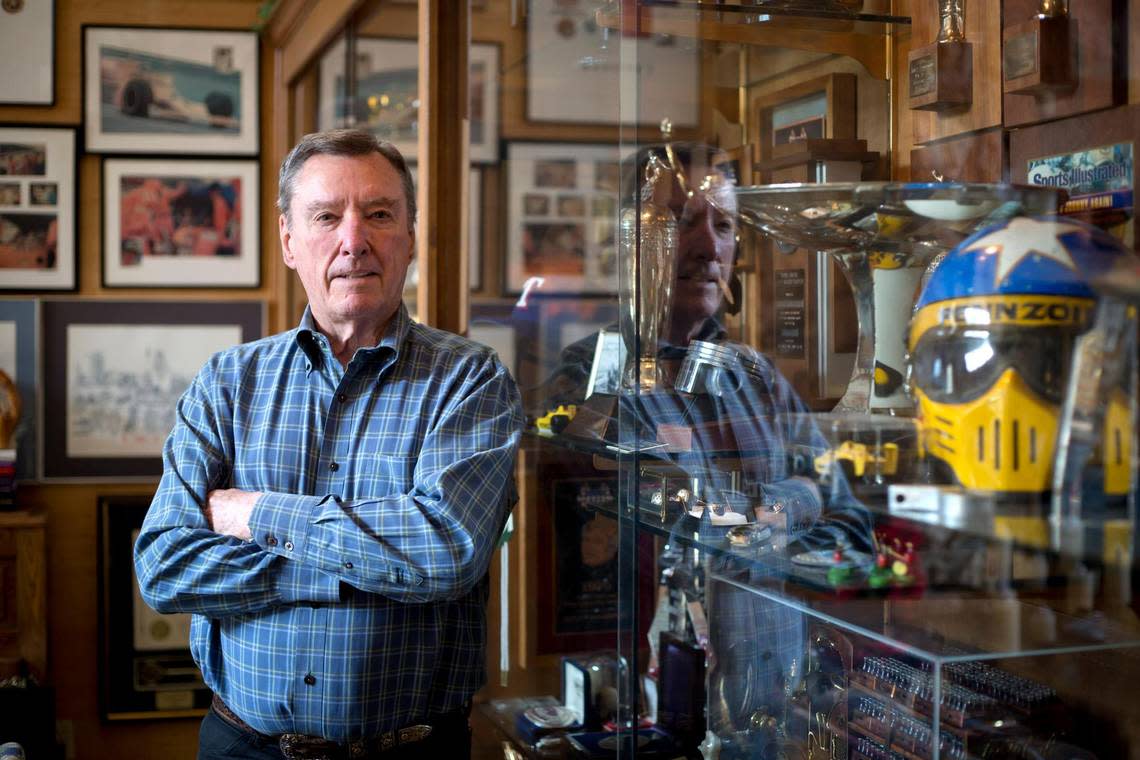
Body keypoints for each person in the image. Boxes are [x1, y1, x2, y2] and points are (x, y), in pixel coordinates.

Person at [134, 128, 524, 760]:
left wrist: (254, 514)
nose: (353, 241)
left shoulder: (471, 381)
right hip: (245, 747)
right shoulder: (228, 383)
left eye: (378, 214)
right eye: (326, 216)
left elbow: (445, 550)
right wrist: (352, 568)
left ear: (410, 237)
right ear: (290, 241)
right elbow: (165, 566)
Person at [535, 143, 871, 756]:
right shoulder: (591, 383)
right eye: (681, 220)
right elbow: (683, 522)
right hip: (650, 721)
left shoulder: (757, 377)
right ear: (628, 244)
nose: (707, 244)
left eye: (722, 224)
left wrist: (767, 511)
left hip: (781, 718)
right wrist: (796, 502)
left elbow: (849, 519)